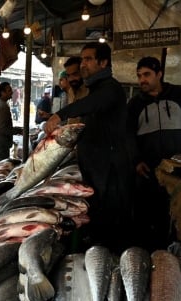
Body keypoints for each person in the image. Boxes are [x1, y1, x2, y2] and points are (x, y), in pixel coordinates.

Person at [44, 42, 137, 253]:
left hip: (110, 173)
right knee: (96, 223)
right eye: (82, 58)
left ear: (103, 62)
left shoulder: (110, 89)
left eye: (88, 59)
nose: (83, 64)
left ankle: (110, 263)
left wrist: (60, 115)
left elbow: (92, 104)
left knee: (111, 228)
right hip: (96, 170)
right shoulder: (96, 88)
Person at [126, 56, 181, 251]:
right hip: (147, 167)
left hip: (175, 166)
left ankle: (169, 249)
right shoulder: (134, 104)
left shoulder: (179, 96)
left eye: (147, 75)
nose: (142, 80)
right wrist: (136, 160)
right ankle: (143, 252)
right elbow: (128, 136)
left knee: (172, 209)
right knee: (144, 210)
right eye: (139, 75)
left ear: (159, 74)